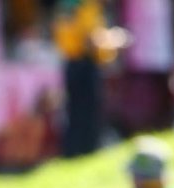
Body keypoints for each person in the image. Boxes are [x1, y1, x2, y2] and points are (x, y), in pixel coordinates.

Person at [52, 0, 128, 157]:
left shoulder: (76, 6)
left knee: (77, 110)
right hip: (84, 64)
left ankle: (77, 151)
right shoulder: (86, 6)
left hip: (75, 64)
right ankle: (86, 150)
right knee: (85, 111)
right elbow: (90, 41)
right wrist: (113, 41)